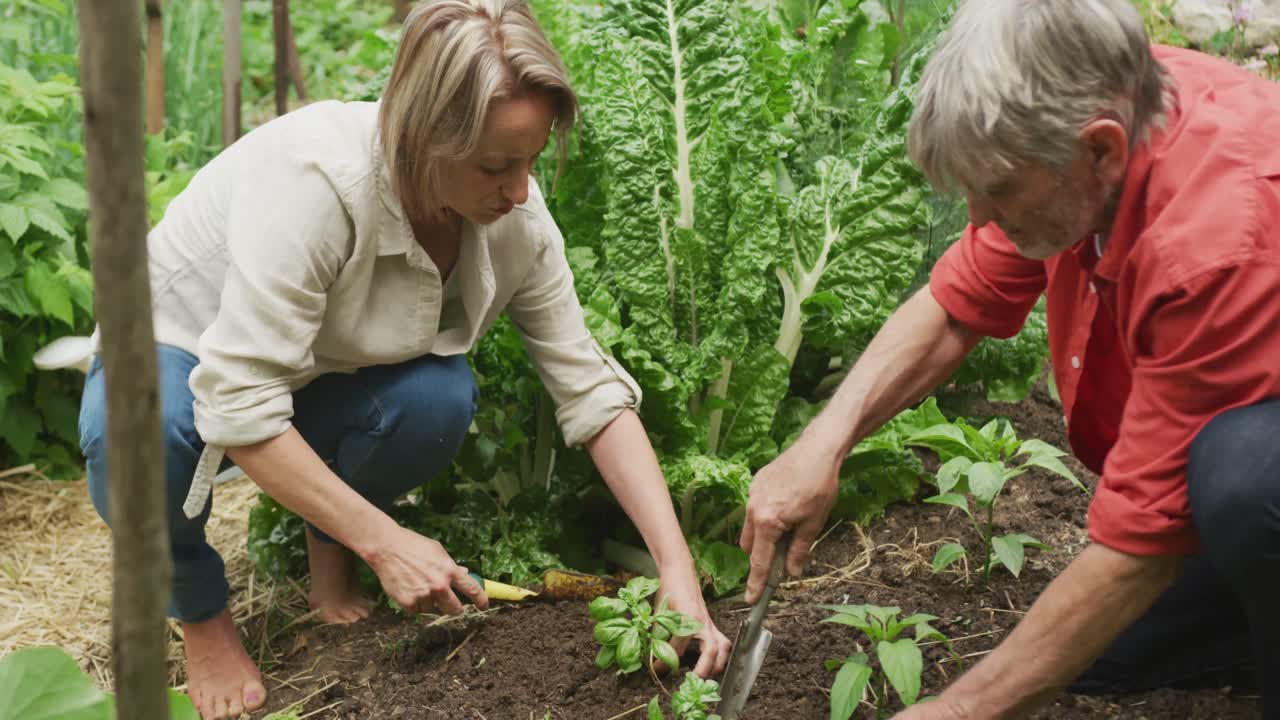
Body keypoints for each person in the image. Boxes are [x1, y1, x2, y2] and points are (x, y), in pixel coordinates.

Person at [76, 2, 729, 718]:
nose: (520, 190)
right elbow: (238, 402)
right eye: (495, 165)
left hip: (319, 369)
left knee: (433, 404)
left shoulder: (518, 218)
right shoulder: (316, 186)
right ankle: (201, 615)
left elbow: (591, 391)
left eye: (533, 158)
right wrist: (388, 543)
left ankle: (330, 551)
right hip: (181, 347)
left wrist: (677, 570)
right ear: (421, 138)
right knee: (135, 439)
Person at [740, 0, 1280, 717]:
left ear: (1102, 150)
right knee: (1093, 655)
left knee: (1243, 478)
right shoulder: (1092, 120)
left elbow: (1144, 537)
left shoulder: (1212, 240)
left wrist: (958, 710)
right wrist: (823, 443)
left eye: (995, 191)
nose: (979, 219)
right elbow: (958, 302)